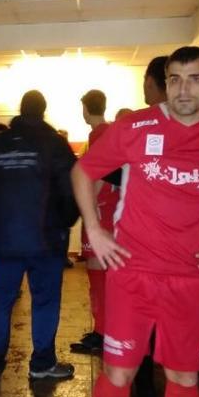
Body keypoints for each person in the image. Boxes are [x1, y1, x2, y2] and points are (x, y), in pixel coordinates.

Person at [72, 47, 199, 397]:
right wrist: (93, 228)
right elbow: (84, 171)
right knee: (117, 372)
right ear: (166, 84)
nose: (183, 89)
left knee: (184, 378)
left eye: (195, 79)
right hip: (132, 272)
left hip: (190, 277)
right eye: (175, 79)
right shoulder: (134, 128)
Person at [0, 91, 79, 382]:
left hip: (5, 238)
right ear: (43, 112)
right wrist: (64, 223)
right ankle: (42, 363)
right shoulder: (55, 144)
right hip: (46, 240)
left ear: (20, 111)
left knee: (2, 300)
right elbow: (71, 189)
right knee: (44, 301)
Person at [127, 55, 169, 397]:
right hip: (162, 249)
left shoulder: (149, 128)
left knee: (146, 328)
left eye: (146, 80)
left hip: (154, 249)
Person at [70, 89, 118, 356]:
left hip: (102, 213)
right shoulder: (106, 133)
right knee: (99, 274)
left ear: (86, 109)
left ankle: (103, 332)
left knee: (97, 273)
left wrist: (88, 210)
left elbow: (100, 175)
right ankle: (103, 329)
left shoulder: (101, 135)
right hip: (109, 213)